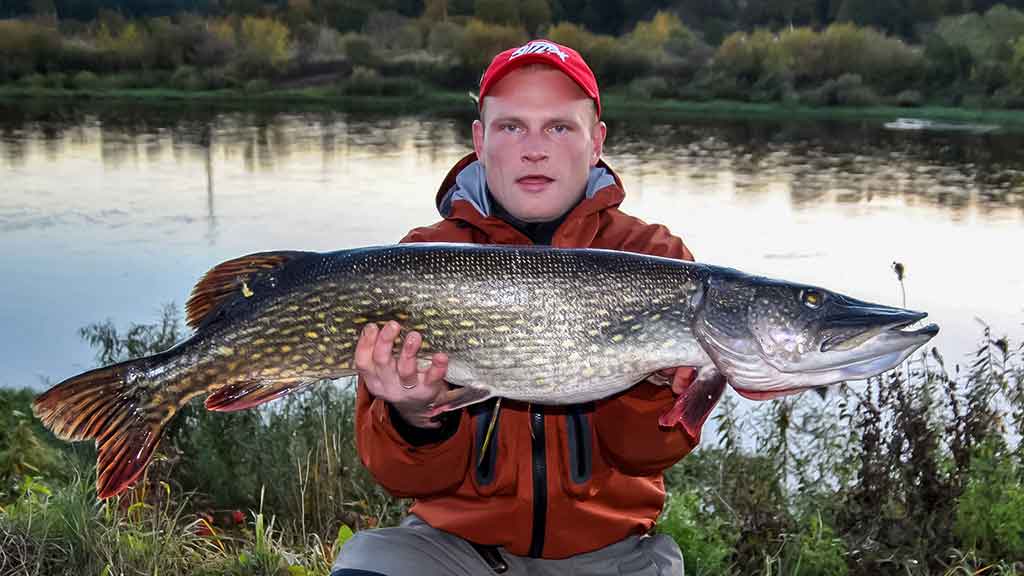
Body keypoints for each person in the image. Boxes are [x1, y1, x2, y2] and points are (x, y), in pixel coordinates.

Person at [331, 39, 703, 576]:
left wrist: (649, 382)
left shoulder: (654, 259)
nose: (535, 148)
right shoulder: (420, 258)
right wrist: (414, 415)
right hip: (452, 550)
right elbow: (403, 478)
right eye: (511, 127)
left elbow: (648, 453)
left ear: (596, 142)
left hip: (611, 554)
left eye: (558, 127)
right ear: (480, 140)